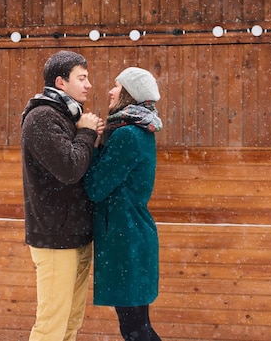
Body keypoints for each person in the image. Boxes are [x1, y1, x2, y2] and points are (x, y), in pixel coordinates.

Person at [21, 50, 103, 341]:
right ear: (60, 82)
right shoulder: (42, 117)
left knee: (70, 320)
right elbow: (69, 169)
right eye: (82, 78)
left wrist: (89, 135)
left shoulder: (69, 117)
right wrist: (86, 135)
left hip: (76, 234)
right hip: (55, 237)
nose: (89, 84)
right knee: (51, 326)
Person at [84, 67, 163, 341]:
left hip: (126, 240)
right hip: (131, 236)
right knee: (137, 327)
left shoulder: (127, 135)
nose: (110, 90)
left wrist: (91, 144)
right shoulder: (136, 130)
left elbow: (95, 188)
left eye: (116, 86)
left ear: (129, 94)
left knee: (135, 329)